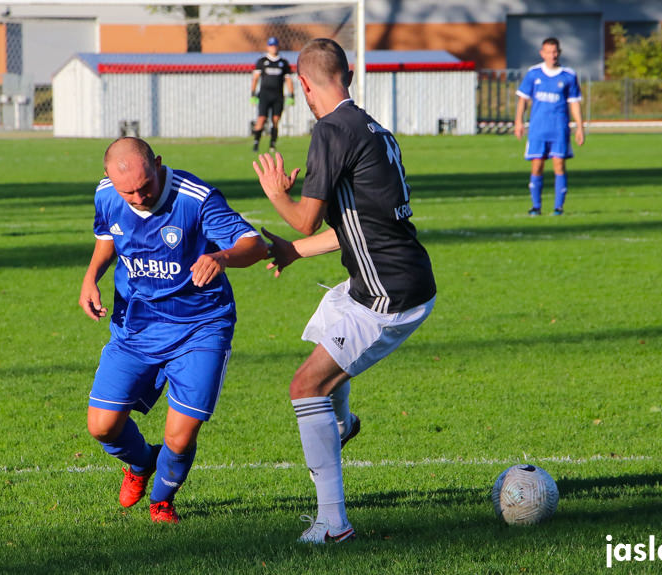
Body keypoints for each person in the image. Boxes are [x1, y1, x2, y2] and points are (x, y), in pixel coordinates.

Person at [252, 38, 436, 544]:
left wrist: (277, 197)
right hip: (389, 279)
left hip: (387, 294)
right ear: (348, 74)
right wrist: (293, 250)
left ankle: (334, 525)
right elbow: (354, 227)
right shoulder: (373, 128)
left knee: (305, 388)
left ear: (303, 84)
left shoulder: (331, 130)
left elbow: (307, 216)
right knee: (329, 324)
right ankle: (342, 425)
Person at [79, 137, 267, 523]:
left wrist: (221, 256)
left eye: (145, 186)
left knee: (180, 438)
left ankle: (162, 499)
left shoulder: (195, 199)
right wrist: (90, 276)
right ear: (110, 181)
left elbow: (255, 244)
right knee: (102, 426)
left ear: (159, 164)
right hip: (136, 326)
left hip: (200, 327)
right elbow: (106, 237)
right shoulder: (107, 195)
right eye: (127, 191)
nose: (138, 197)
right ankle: (142, 463)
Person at [514, 37, 584, 216]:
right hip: (538, 129)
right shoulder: (533, 73)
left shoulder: (568, 75)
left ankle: (558, 207)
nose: (552, 55)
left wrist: (580, 127)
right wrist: (519, 122)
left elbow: (574, 102)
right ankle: (536, 206)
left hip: (559, 129)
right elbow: (523, 99)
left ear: (559, 53)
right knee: (537, 165)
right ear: (542, 53)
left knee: (559, 165)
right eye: (548, 52)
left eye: (555, 52)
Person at [250, 36, 295, 153]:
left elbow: (289, 80)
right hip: (264, 95)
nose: (273, 48)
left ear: (278, 46)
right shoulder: (262, 62)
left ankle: (272, 144)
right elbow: (255, 78)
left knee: (275, 120)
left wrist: (291, 95)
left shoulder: (283, 63)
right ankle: (256, 142)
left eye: (275, 45)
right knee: (261, 119)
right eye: (271, 46)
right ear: (267, 47)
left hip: (278, 96)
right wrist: (253, 94)